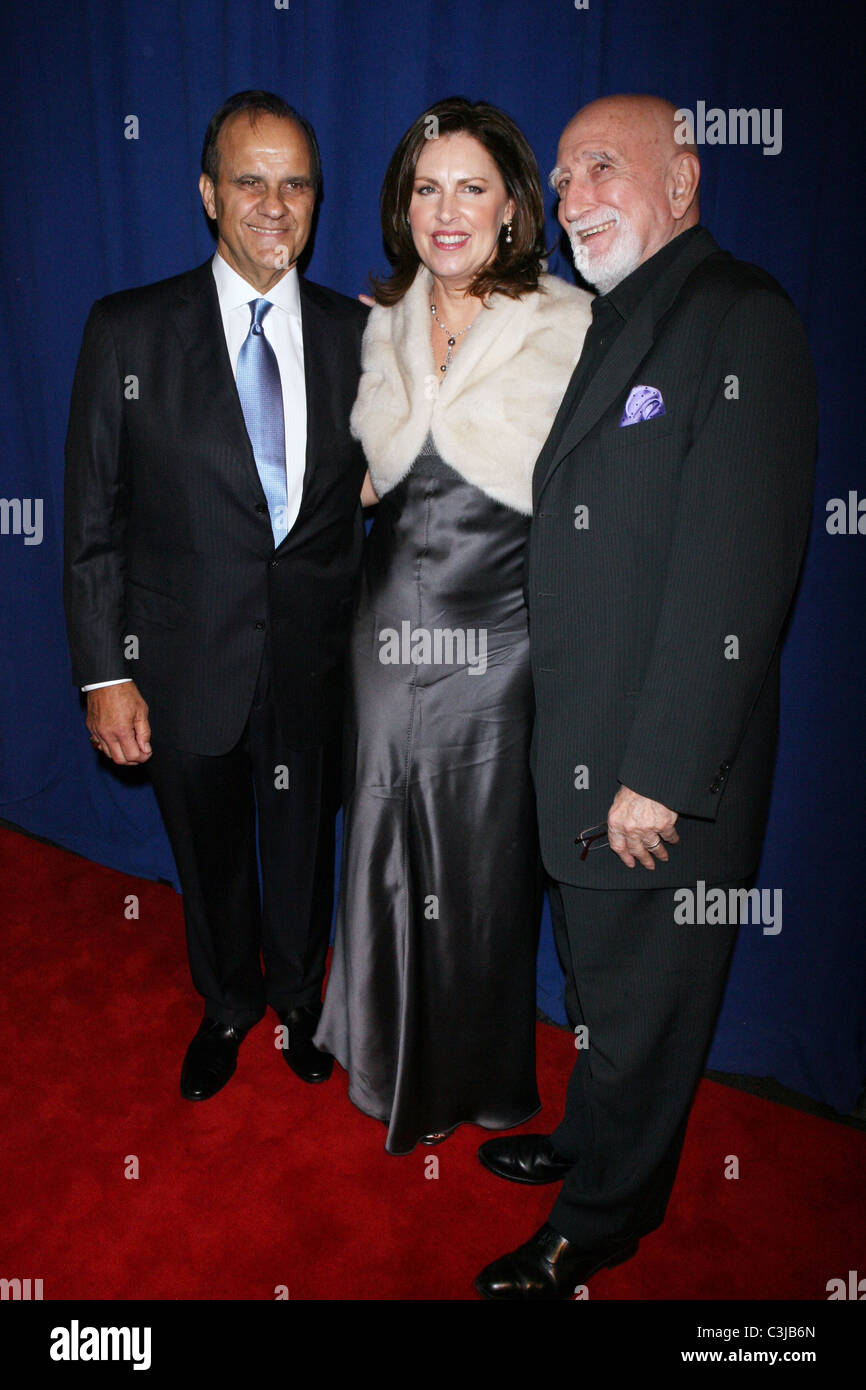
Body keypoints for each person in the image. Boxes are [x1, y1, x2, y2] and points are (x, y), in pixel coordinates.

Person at [474, 94, 817, 1298]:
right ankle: (586, 1140)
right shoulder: (616, 322)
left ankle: (603, 1220)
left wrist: (660, 771)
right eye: (559, 178)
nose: (569, 199)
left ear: (682, 181)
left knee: (649, 1006)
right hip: (582, 752)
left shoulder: (738, 317)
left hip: (655, 775)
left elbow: (738, 570)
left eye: (599, 169)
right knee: (600, 991)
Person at [63, 90, 368, 1102]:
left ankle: (297, 1000)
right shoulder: (128, 332)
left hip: (313, 662)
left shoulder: (355, 336)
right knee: (211, 856)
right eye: (250, 181)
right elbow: (94, 520)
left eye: (296, 184)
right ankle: (229, 1002)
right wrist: (105, 673)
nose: (274, 204)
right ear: (207, 194)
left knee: (300, 849)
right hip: (182, 658)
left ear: (316, 202)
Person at [314, 98, 592, 1153]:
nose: (446, 209)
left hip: (501, 645)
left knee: (481, 866)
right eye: (426, 187)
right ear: (401, 203)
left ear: (514, 205)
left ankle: (470, 1073)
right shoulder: (374, 320)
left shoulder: (567, 327)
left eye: (471, 186)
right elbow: (354, 481)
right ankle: (378, 1049)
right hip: (383, 634)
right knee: (382, 841)